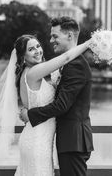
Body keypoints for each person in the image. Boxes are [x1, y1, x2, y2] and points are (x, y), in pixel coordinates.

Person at [0, 18, 92, 176]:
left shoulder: (40, 72)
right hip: (37, 141)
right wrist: (88, 43)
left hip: (46, 139)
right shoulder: (34, 73)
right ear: (22, 56)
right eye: (31, 49)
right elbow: (64, 59)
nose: (38, 50)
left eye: (38, 46)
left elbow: (60, 98)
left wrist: (30, 114)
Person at [20, 17, 94, 176]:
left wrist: (30, 114)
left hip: (73, 140)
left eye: (55, 36)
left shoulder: (75, 64)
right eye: (31, 49)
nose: (51, 40)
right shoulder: (64, 64)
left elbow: (61, 105)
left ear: (69, 36)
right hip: (61, 140)